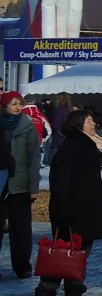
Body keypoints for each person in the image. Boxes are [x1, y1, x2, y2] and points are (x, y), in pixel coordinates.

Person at [26, 108, 102, 296]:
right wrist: (64, 214)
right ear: (77, 124)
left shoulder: (92, 148)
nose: (93, 123)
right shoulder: (72, 148)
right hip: (73, 215)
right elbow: (61, 184)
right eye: (88, 120)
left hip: (89, 214)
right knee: (60, 259)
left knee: (79, 261)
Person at [2, 91, 41, 281]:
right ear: (4, 106)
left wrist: (33, 186)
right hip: (0, 183)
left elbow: (34, 158)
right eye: (13, 104)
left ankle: (22, 266)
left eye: (20, 103)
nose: (17, 107)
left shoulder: (27, 126)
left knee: (21, 229)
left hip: (20, 184)